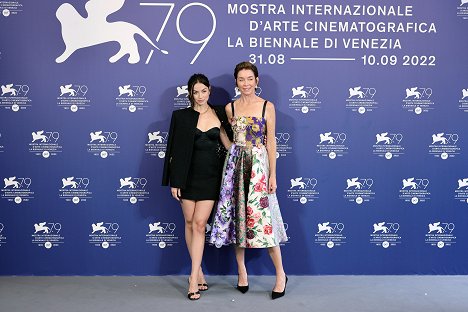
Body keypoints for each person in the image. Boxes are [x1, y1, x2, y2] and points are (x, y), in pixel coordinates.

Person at [209, 62, 288, 299]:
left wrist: (273, 174)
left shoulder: (267, 107)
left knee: (266, 221)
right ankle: (241, 272)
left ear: (257, 81)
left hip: (259, 167)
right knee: (238, 218)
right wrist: (231, 148)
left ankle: (281, 275)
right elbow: (228, 137)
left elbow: (272, 142)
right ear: (236, 82)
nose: (246, 84)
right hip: (235, 166)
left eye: (250, 79)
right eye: (241, 79)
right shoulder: (230, 108)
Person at [162, 73, 231, 300]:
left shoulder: (220, 113)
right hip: (187, 178)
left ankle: (192, 278)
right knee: (190, 223)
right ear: (190, 93)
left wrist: (250, 151)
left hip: (211, 178)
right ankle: (198, 269)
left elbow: (229, 145)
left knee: (200, 224)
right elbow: (173, 152)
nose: (200, 96)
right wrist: (175, 181)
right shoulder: (181, 116)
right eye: (195, 92)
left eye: (203, 91)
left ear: (209, 90)